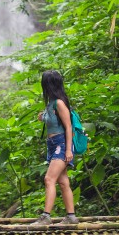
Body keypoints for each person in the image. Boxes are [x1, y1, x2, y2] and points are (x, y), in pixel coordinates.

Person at [31, 70, 79, 225]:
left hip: (61, 144)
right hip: (52, 145)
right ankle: (71, 217)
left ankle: (46, 217)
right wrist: (42, 117)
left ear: (48, 85)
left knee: (49, 179)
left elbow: (68, 127)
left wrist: (68, 150)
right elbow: (52, 120)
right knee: (63, 181)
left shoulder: (59, 103)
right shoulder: (51, 103)